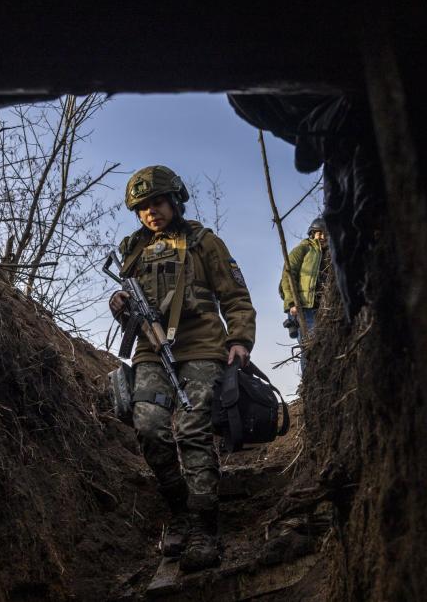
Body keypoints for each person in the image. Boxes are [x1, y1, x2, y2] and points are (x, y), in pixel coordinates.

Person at [109, 165, 256, 572]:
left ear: (174, 199)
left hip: (203, 345)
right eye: (142, 207)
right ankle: (180, 513)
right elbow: (133, 304)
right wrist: (119, 305)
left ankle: (204, 526)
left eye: (157, 202)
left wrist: (240, 341)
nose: (150, 212)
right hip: (151, 350)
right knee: (149, 426)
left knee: (192, 430)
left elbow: (236, 297)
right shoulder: (132, 249)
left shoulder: (204, 242)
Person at [279, 217, 330, 369]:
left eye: (325, 234)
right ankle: (309, 379)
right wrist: (291, 303)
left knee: (326, 342)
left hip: (323, 306)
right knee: (310, 344)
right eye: (318, 233)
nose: (322, 237)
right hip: (305, 307)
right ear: (312, 234)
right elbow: (288, 275)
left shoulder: (331, 253)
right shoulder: (304, 249)